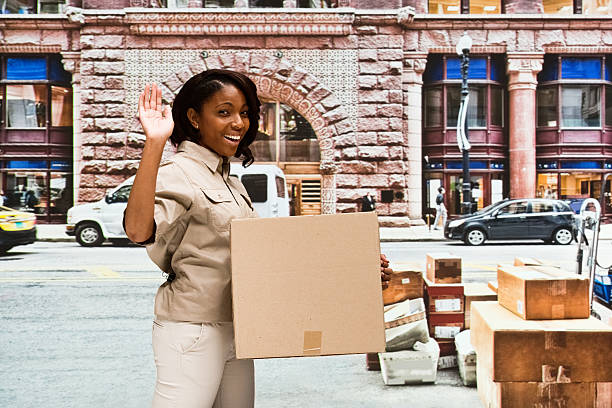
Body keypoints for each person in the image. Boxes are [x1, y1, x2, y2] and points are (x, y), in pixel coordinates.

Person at [123, 69, 392, 408]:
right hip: (193, 330)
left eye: (245, 113)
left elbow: (267, 262)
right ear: (193, 118)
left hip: (239, 327)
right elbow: (137, 230)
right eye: (224, 112)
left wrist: (354, 274)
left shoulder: (231, 182)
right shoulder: (179, 173)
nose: (239, 122)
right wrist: (155, 142)